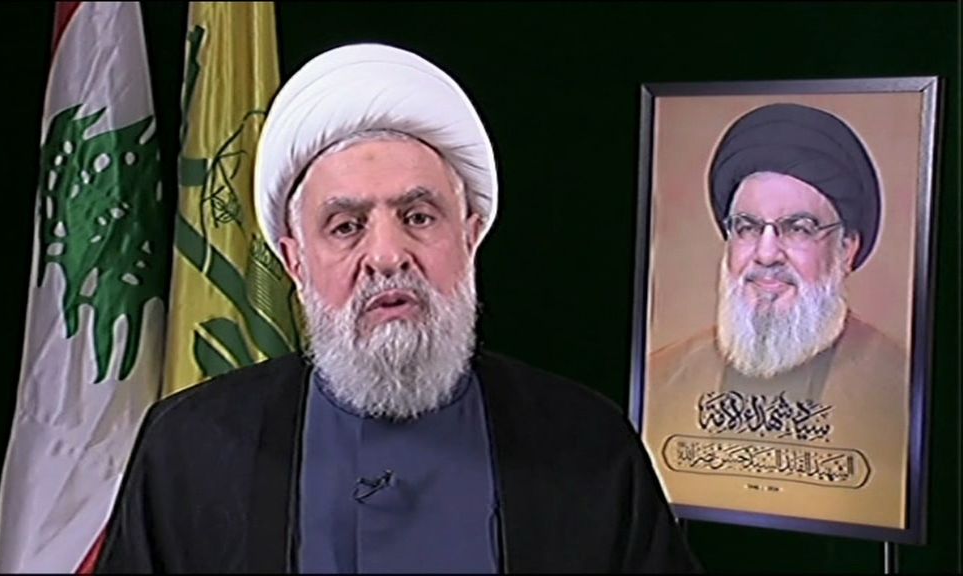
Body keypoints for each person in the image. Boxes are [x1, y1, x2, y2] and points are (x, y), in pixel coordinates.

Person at [95, 43, 699, 573]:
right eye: (346, 226)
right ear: (295, 262)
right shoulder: (189, 449)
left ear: (470, 237)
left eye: (418, 217)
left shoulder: (588, 445)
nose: (387, 256)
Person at [645, 102, 910, 529]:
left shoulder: (900, 388)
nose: (766, 254)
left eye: (799, 228)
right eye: (748, 227)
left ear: (847, 249)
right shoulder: (661, 379)